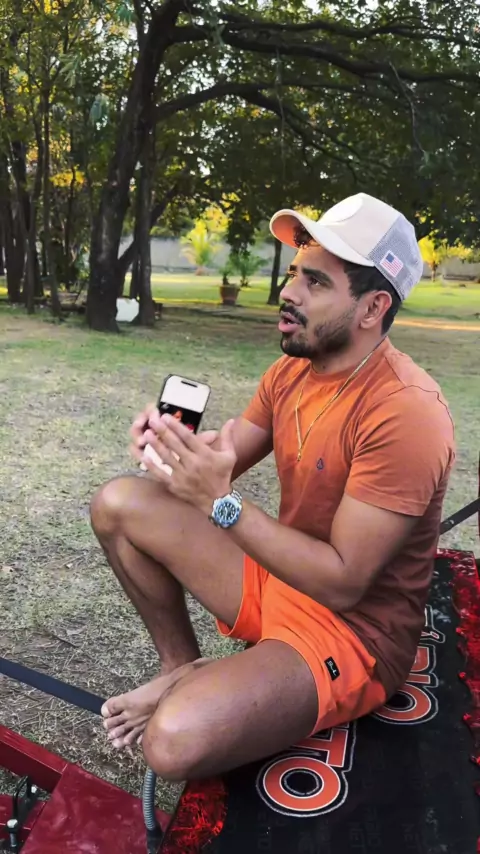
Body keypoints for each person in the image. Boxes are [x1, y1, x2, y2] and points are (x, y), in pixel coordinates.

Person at [90, 193, 455, 782]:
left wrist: (219, 501)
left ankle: (198, 684)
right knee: (118, 502)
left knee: (173, 743)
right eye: (294, 274)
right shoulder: (292, 371)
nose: (290, 293)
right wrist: (175, 449)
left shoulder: (406, 412)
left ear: (373, 307)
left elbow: (342, 584)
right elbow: (228, 451)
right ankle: (179, 666)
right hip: (279, 575)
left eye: (315, 282)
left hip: (353, 632)